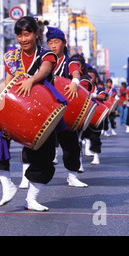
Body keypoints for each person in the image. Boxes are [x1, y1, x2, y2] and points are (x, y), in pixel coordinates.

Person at [0, 16, 64, 211]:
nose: (23, 39)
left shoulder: (46, 55)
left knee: (44, 157)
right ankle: (7, 185)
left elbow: (45, 71)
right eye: (19, 35)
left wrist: (31, 80)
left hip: (41, 111)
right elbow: (8, 84)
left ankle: (32, 198)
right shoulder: (12, 57)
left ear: (36, 34)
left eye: (26, 34)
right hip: (16, 109)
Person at [46, 26, 88, 188]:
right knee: (35, 144)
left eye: (56, 42)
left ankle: (72, 175)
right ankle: (26, 175)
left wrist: (75, 82)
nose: (53, 46)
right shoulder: (44, 60)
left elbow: (76, 72)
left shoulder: (68, 62)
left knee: (71, 144)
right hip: (45, 109)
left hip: (65, 112)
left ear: (64, 43)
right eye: (50, 42)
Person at [82, 67, 107, 165]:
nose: (89, 79)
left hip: (96, 116)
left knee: (95, 138)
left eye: (91, 77)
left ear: (96, 79)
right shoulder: (81, 88)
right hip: (83, 116)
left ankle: (96, 156)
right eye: (87, 77)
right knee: (78, 139)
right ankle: (79, 163)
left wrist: (93, 95)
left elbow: (104, 96)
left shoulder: (99, 89)